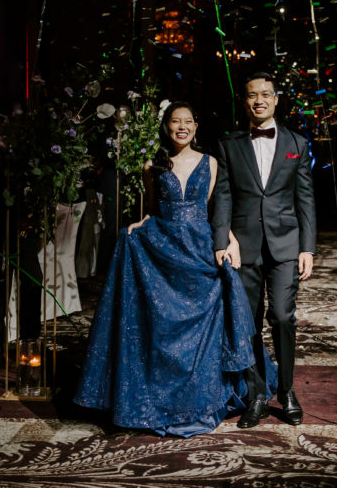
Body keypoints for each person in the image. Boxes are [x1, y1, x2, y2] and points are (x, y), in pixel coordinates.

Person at [74, 101, 257, 436]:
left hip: (199, 248)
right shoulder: (152, 165)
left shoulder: (210, 163)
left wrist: (229, 239)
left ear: (196, 127)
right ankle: (157, 398)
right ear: (167, 126)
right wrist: (139, 224)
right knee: (159, 324)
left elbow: (214, 209)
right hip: (163, 247)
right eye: (175, 121)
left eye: (188, 121)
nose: (182, 127)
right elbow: (151, 208)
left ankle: (200, 398)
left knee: (205, 321)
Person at [212, 71, 317, 428]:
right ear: (245, 101)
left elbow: (305, 199)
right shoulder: (229, 144)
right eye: (252, 95)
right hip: (244, 247)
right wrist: (221, 240)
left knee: (283, 317)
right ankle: (257, 393)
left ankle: (286, 391)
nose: (259, 100)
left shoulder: (296, 142)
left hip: (286, 244)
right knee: (249, 323)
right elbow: (223, 196)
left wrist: (308, 248)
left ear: (275, 99)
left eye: (265, 94)